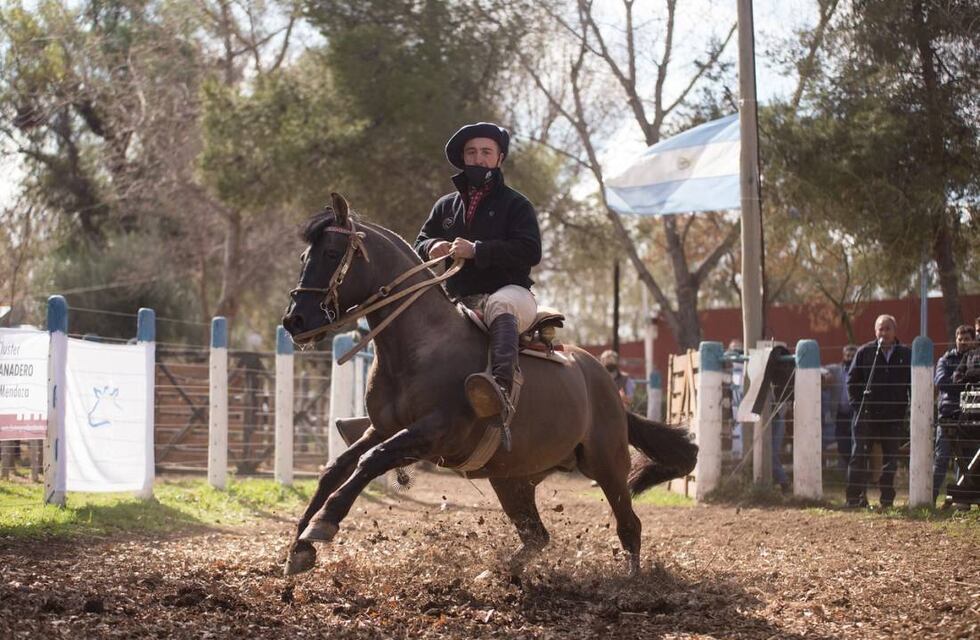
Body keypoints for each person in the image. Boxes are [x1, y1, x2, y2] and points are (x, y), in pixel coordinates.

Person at [414, 122, 541, 421]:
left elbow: (530, 252)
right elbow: (418, 242)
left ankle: (499, 391)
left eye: (486, 151)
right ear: (463, 159)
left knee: (500, 304)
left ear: (499, 158)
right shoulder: (444, 206)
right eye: (471, 152)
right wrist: (431, 246)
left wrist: (478, 250)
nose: (478, 158)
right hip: (457, 298)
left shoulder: (517, 204)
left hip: (512, 294)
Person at [845, 314, 912, 508]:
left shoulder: (905, 354)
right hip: (866, 415)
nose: (884, 333)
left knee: (890, 458)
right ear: (875, 332)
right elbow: (852, 381)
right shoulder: (865, 352)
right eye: (880, 329)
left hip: (892, 417)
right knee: (859, 456)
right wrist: (858, 407)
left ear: (895, 331)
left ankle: (887, 499)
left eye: (887, 328)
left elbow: (911, 384)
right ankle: (855, 498)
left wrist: (906, 408)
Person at [933, 324, 977, 503]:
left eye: (967, 339)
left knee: (967, 461)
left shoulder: (975, 358)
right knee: (941, 459)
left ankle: (961, 501)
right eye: (960, 339)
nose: (963, 342)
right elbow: (941, 381)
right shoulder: (946, 359)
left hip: (970, 416)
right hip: (948, 414)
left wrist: (962, 382)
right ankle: (930, 499)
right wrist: (966, 384)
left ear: (973, 340)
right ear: (955, 340)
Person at [825, 345, 857, 470]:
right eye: (847, 356)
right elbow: (819, 369)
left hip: (855, 412)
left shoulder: (861, 371)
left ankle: (855, 473)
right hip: (840, 414)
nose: (849, 358)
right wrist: (826, 374)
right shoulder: (835, 370)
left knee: (856, 443)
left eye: (853, 356)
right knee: (842, 444)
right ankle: (851, 471)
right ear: (843, 356)